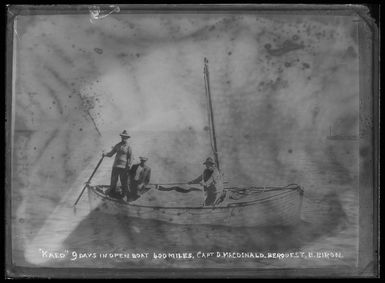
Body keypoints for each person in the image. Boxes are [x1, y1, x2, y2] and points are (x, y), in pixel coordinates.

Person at [103, 130, 132, 199]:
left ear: (127, 138)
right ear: (121, 137)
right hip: (116, 166)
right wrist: (105, 154)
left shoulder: (128, 147)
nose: (123, 138)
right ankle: (112, 194)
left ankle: (125, 196)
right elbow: (111, 154)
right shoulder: (117, 145)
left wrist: (128, 166)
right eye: (123, 137)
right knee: (113, 180)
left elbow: (130, 157)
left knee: (124, 181)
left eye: (125, 137)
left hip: (124, 167)